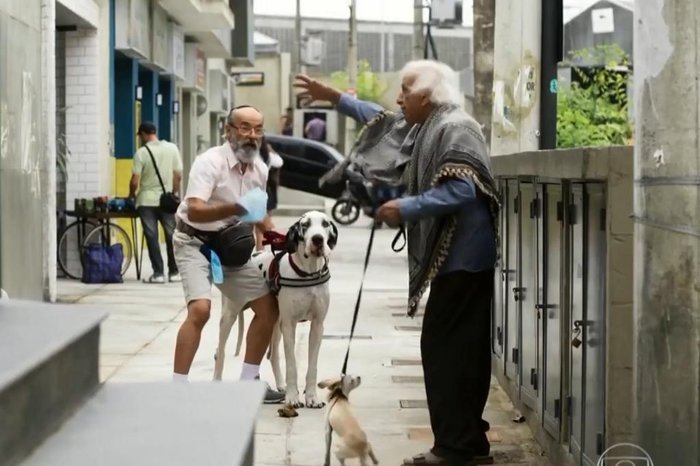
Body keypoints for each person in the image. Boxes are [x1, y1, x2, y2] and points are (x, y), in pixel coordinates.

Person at [295, 63, 500, 466]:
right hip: (459, 258)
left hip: (463, 257)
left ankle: (454, 449)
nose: (399, 98)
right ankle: (470, 443)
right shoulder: (429, 124)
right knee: (463, 351)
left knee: (447, 353)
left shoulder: (455, 127)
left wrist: (405, 207)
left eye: (406, 90)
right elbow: (382, 120)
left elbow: (462, 189)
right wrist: (337, 98)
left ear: (428, 95)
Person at [170, 105, 285, 403]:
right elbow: (194, 208)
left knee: (268, 308)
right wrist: (236, 208)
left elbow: (257, 211)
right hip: (193, 242)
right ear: (228, 130)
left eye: (258, 129)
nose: (252, 136)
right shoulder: (210, 162)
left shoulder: (260, 167)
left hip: (230, 249)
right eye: (245, 128)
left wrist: (277, 236)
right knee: (200, 310)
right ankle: (176, 388)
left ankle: (249, 382)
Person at [129, 121, 183, 284]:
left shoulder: (141, 153)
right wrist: (173, 192)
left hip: (146, 201)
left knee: (151, 237)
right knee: (171, 236)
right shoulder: (172, 148)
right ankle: (174, 272)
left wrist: (131, 195)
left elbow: (134, 181)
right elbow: (178, 175)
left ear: (144, 135)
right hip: (166, 201)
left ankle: (158, 274)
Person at [255, 137, 284, 251]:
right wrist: (271, 150)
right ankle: (260, 253)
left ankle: (254, 253)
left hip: (252, 190)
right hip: (266, 190)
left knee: (252, 228)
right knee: (262, 228)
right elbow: (279, 162)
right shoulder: (267, 155)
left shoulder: (249, 154)